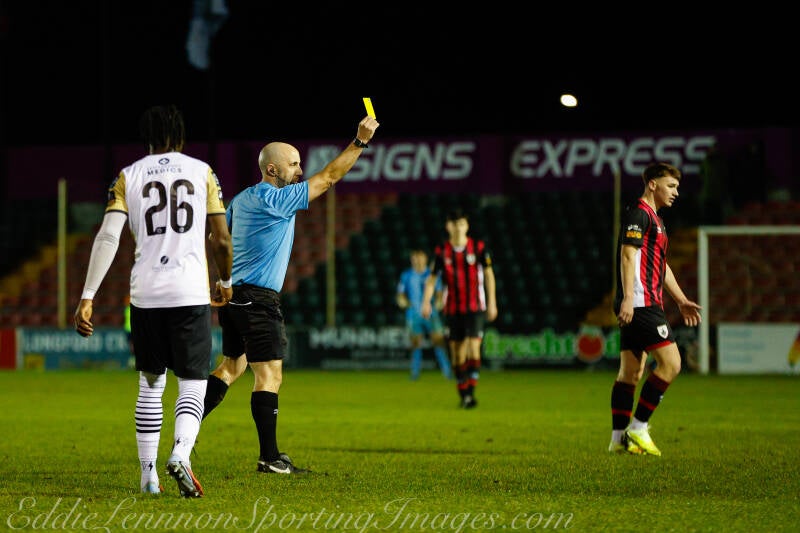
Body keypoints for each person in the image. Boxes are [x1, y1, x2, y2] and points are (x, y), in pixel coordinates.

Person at [200, 114, 380, 474]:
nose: (300, 170)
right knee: (270, 377)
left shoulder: (241, 199)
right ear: (272, 169)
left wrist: (219, 283)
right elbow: (329, 178)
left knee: (231, 367)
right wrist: (359, 142)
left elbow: (216, 240)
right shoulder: (274, 199)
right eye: (294, 164)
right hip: (259, 300)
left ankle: (183, 431)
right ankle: (270, 458)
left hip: (235, 295)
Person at [73, 104, 233, 497]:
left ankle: (148, 478)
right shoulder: (202, 172)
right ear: (181, 135)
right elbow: (222, 238)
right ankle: (181, 453)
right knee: (192, 382)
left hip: (145, 293)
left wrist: (87, 296)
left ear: (146, 137)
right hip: (189, 291)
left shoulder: (129, 175)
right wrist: (225, 280)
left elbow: (108, 238)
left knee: (150, 384)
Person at [609, 162, 701, 456]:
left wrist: (681, 299)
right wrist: (626, 299)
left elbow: (661, 267)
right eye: (670, 186)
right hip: (640, 303)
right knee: (672, 363)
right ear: (652, 184)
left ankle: (617, 441)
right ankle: (637, 428)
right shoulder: (639, 214)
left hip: (643, 302)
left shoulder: (657, 221)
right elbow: (627, 255)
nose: (675, 192)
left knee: (631, 374)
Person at [421, 208, 497, 408]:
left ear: (467, 226)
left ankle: (470, 393)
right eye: (455, 224)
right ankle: (464, 392)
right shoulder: (442, 252)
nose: (458, 228)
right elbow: (431, 280)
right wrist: (426, 301)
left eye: (462, 224)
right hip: (452, 308)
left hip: (475, 307)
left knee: (474, 348)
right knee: (457, 353)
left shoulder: (478, 248)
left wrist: (492, 303)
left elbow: (489, 275)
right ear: (449, 227)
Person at [396, 248, 452, 381]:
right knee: (416, 344)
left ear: (425, 258)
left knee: (438, 342)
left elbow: (439, 292)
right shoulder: (406, 275)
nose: (417, 260)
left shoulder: (432, 274)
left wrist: (439, 302)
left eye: (419, 257)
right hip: (414, 314)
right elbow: (400, 294)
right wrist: (402, 301)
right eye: (414, 257)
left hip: (431, 314)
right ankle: (414, 374)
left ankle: (447, 373)